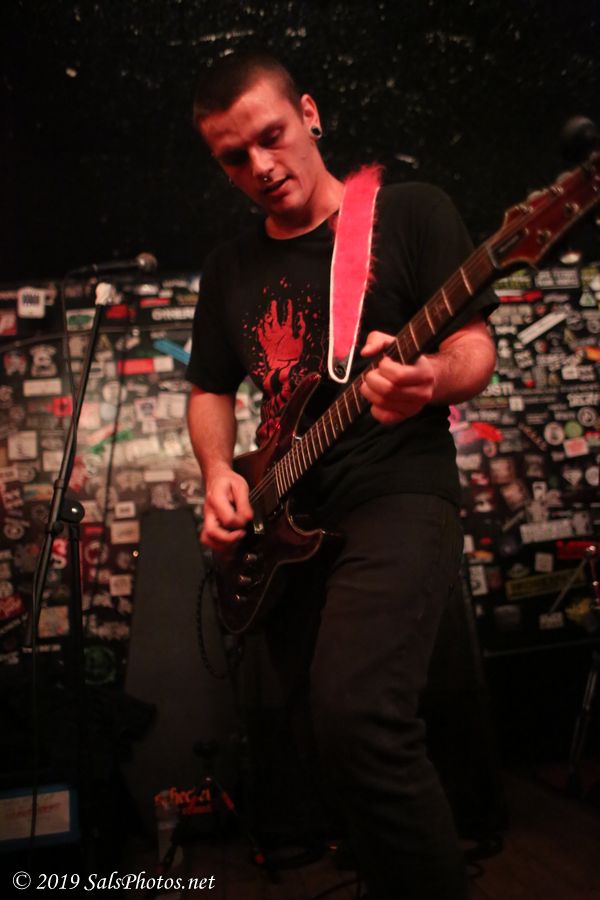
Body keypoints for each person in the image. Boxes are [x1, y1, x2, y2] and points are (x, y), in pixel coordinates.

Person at [185, 51, 497, 900]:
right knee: (318, 736)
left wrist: (431, 377)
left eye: (271, 136)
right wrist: (217, 472)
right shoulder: (229, 268)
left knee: (360, 714)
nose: (260, 166)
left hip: (395, 489)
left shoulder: (409, 212)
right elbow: (210, 388)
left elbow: (472, 345)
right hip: (288, 520)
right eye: (234, 157)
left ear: (310, 114)